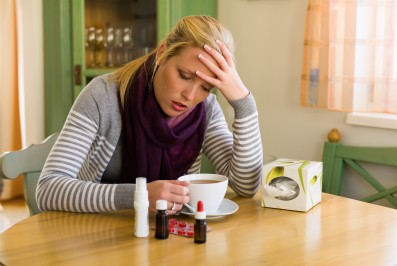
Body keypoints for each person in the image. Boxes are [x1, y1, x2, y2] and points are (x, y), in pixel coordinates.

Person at [36, 15, 263, 214]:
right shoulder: (102, 95)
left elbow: (246, 186)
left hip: (167, 237)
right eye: (184, 75)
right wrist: (139, 195)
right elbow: (48, 189)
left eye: (206, 87)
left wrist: (244, 103)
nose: (189, 95)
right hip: (96, 235)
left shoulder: (206, 110)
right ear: (162, 53)